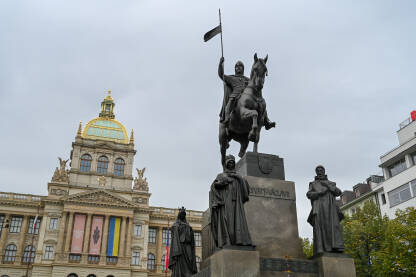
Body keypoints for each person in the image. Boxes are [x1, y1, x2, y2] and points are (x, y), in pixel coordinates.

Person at [218, 57, 275, 130]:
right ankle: (227, 118)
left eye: (240, 66)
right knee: (230, 102)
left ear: (243, 68)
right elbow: (221, 74)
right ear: (235, 69)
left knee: (261, 103)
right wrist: (220, 64)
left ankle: (267, 121)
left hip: (247, 96)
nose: (238, 68)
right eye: (237, 67)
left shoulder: (247, 79)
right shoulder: (231, 78)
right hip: (236, 96)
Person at [209, 155, 253, 248]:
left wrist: (239, 178)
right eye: (229, 162)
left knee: (238, 221)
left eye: (232, 162)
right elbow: (214, 186)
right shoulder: (221, 175)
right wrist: (223, 183)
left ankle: (239, 240)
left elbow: (245, 190)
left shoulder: (238, 176)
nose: (231, 164)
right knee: (227, 221)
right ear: (226, 164)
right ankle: (226, 241)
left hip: (236, 203)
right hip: (226, 202)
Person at [306, 165, 345, 255]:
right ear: (316, 172)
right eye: (318, 170)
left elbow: (338, 192)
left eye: (321, 170)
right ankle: (322, 248)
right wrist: (319, 193)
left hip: (331, 209)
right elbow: (309, 194)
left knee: (333, 227)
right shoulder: (313, 183)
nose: (319, 172)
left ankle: (335, 247)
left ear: (324, 171)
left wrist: (328, 185)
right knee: (321, 228)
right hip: (319, 208)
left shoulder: (330, 183)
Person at [168, 207, 198, 277]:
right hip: (180, 246)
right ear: (179, 215)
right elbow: (174, 232)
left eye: (184, 214)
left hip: (187, 245)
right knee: (180, 261)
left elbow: (191, 236)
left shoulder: (188, 225)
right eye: (181, 214)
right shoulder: (176, 225)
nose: (183, 216)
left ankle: (189, 273)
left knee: (190, 259)